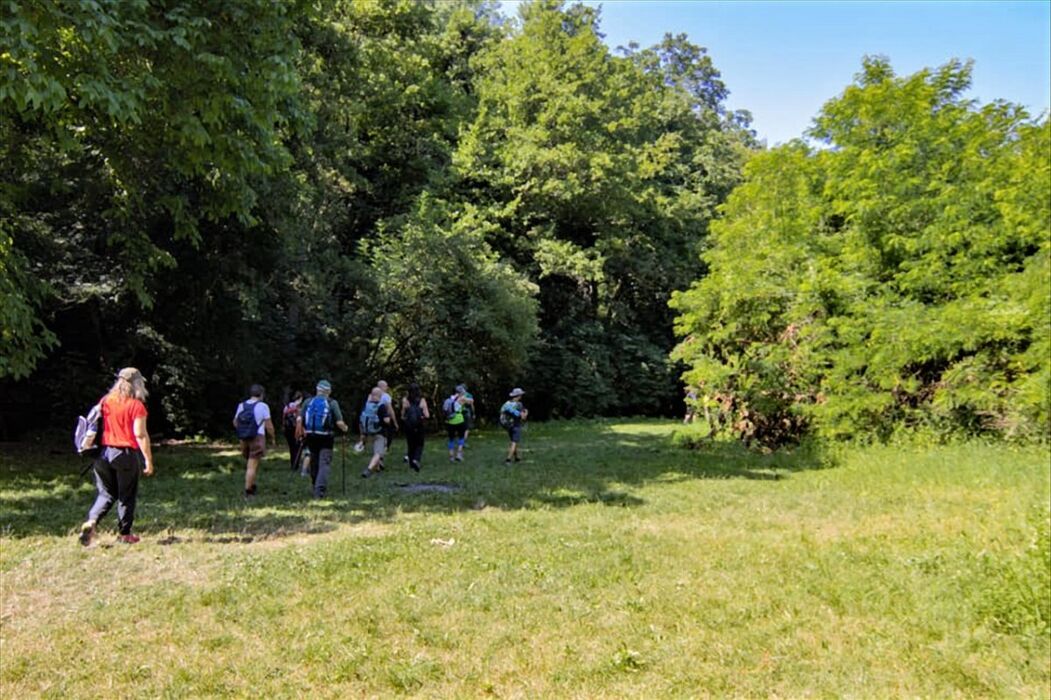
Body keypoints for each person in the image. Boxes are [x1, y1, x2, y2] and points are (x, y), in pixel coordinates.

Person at [78, 367, 155, 546]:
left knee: (105, 493)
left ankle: (91, 521)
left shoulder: (106, 401)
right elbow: (140, 434)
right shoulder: (136, 406)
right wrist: (148, 461)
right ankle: (124, 534)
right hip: (125, 455)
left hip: (103, 454)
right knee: (126, 495)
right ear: (138, 384)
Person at [296, 379, 349, 498]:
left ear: (317, 390)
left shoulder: (308, 402)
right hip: (326, 437)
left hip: (310, 435)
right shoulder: (332, 403)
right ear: (328, 391)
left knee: (313, 460)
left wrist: (301, 430)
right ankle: (319, 492)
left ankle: (315, 485)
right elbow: (339, 422)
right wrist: (345, 429)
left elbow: (300, 418)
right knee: (324, 463)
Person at [233, 384, 275, 498]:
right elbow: (269, 425)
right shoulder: (263, 406)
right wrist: (272, 438)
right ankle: (248, 491)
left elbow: (235, 422)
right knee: (252, 465)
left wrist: (243, 431)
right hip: (257, 437)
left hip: (243, 438)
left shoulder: (242, 405)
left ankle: (252, 484)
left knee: (249, 463)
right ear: (261, 394)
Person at [360, 387, 392, 478]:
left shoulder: (366, 405)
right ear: (380, 395)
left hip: (368, 432)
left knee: (375, 450)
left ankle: (377, 467)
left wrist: (362, 434)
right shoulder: (381, 406)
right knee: (378, 452)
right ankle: (369, 469)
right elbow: (386, 420)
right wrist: (388, 418)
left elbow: (361, 419)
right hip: (379, 432)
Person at [401, 383, 430, 472]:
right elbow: (427, 415)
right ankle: (416, 460)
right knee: (420, 444)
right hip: (419, 425)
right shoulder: (422, 400)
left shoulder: (405, 400)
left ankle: (411, 463)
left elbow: (402, 415)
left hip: (409, 426)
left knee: (410, 444)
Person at [500, 387, 528, 465]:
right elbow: (523, 416)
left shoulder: (507, 404)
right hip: (516, 425)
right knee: (514, 442)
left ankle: (517, 458)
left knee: (514, 441)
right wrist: (525, 414)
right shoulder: (519, 404)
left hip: (508, 426)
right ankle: (508, 459)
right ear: (519, 396)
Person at [282, 390, 305, 471]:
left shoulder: (287, 407)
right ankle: (296, 465)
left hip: (287, 430)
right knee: (298, 448)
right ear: (300, 398)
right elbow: (300, 421)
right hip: (296, 430)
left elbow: (283, 419)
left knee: (291, 448)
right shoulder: (298, 408)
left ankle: (293, 465)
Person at [443, 387, 467, 462]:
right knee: (461, 437)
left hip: (450, 421)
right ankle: (459, 454)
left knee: (451, 439)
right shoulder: (461, 399)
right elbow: (470, 401)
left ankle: (451, 456)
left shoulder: (448, 400)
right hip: (459, 420)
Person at [458, 383, 475, 448]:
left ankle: (460, 441)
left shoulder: (459, 395)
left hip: (459, 412)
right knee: (466, 428)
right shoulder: (469, 395)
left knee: (461, 428)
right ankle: (463, 443)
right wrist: (473, 413)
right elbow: (472, 405)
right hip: (467, 412)